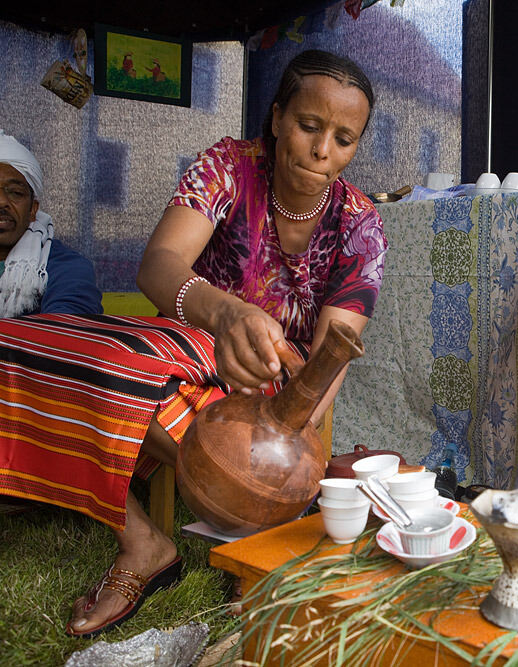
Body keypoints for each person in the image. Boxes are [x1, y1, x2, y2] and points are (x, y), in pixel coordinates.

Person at [0, 50, 386, 639]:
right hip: (176, 345)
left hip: (274, 394)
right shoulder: (229, 166)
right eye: (309, 126)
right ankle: (144, 539)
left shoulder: (360, 224)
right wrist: (227, 313)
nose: (322, 150)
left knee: (111, 376)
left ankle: (238, 512)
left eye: (344, 138)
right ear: (278, 117)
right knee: (23, 345)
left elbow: (332, 357)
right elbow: (158, 268)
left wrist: (289, 422)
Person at [0, 131, 102, 316]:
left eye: (15, 192)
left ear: (33, 210)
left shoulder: (66, 268)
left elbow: (67, 329)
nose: (2, 202)